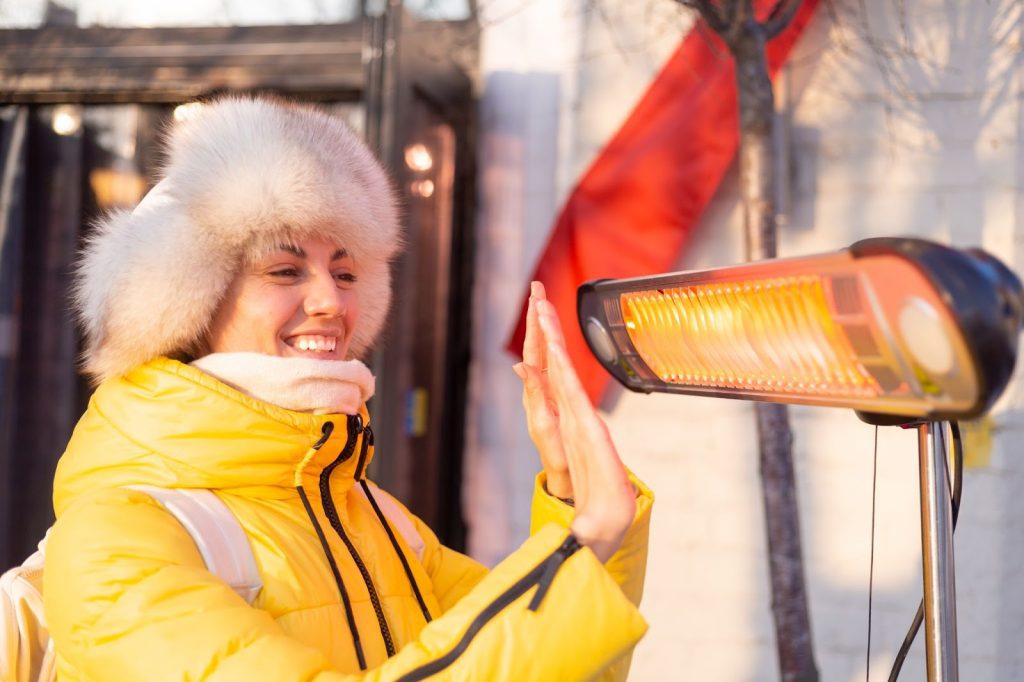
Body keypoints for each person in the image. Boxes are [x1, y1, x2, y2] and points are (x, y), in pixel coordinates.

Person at [44, 95, 653, 681]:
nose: (331, 301)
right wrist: (586, 541)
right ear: (187, 306)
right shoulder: (114, 540)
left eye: (345, 271)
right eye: (284, 271)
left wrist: (577, 504)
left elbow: (561, 668)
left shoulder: (376, 517)